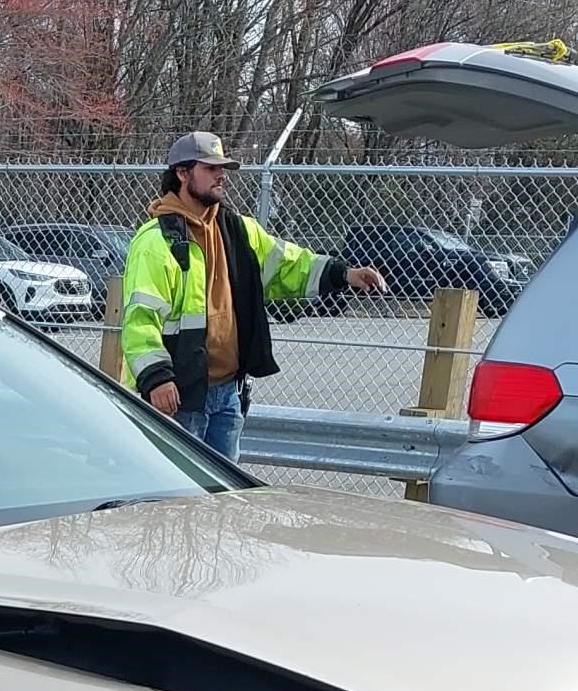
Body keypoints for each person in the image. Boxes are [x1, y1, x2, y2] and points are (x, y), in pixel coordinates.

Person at [119, 131, 388, 457]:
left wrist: (344, 274)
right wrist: (156, 379)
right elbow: (140, 320)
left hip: (227, 395)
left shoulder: (237, 229)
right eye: (211, 168)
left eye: (223, 168)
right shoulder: (156, 241)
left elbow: (289, 265)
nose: (221, 175)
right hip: (178, 397)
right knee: (175, 498)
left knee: (224, 498)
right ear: (182, 173)